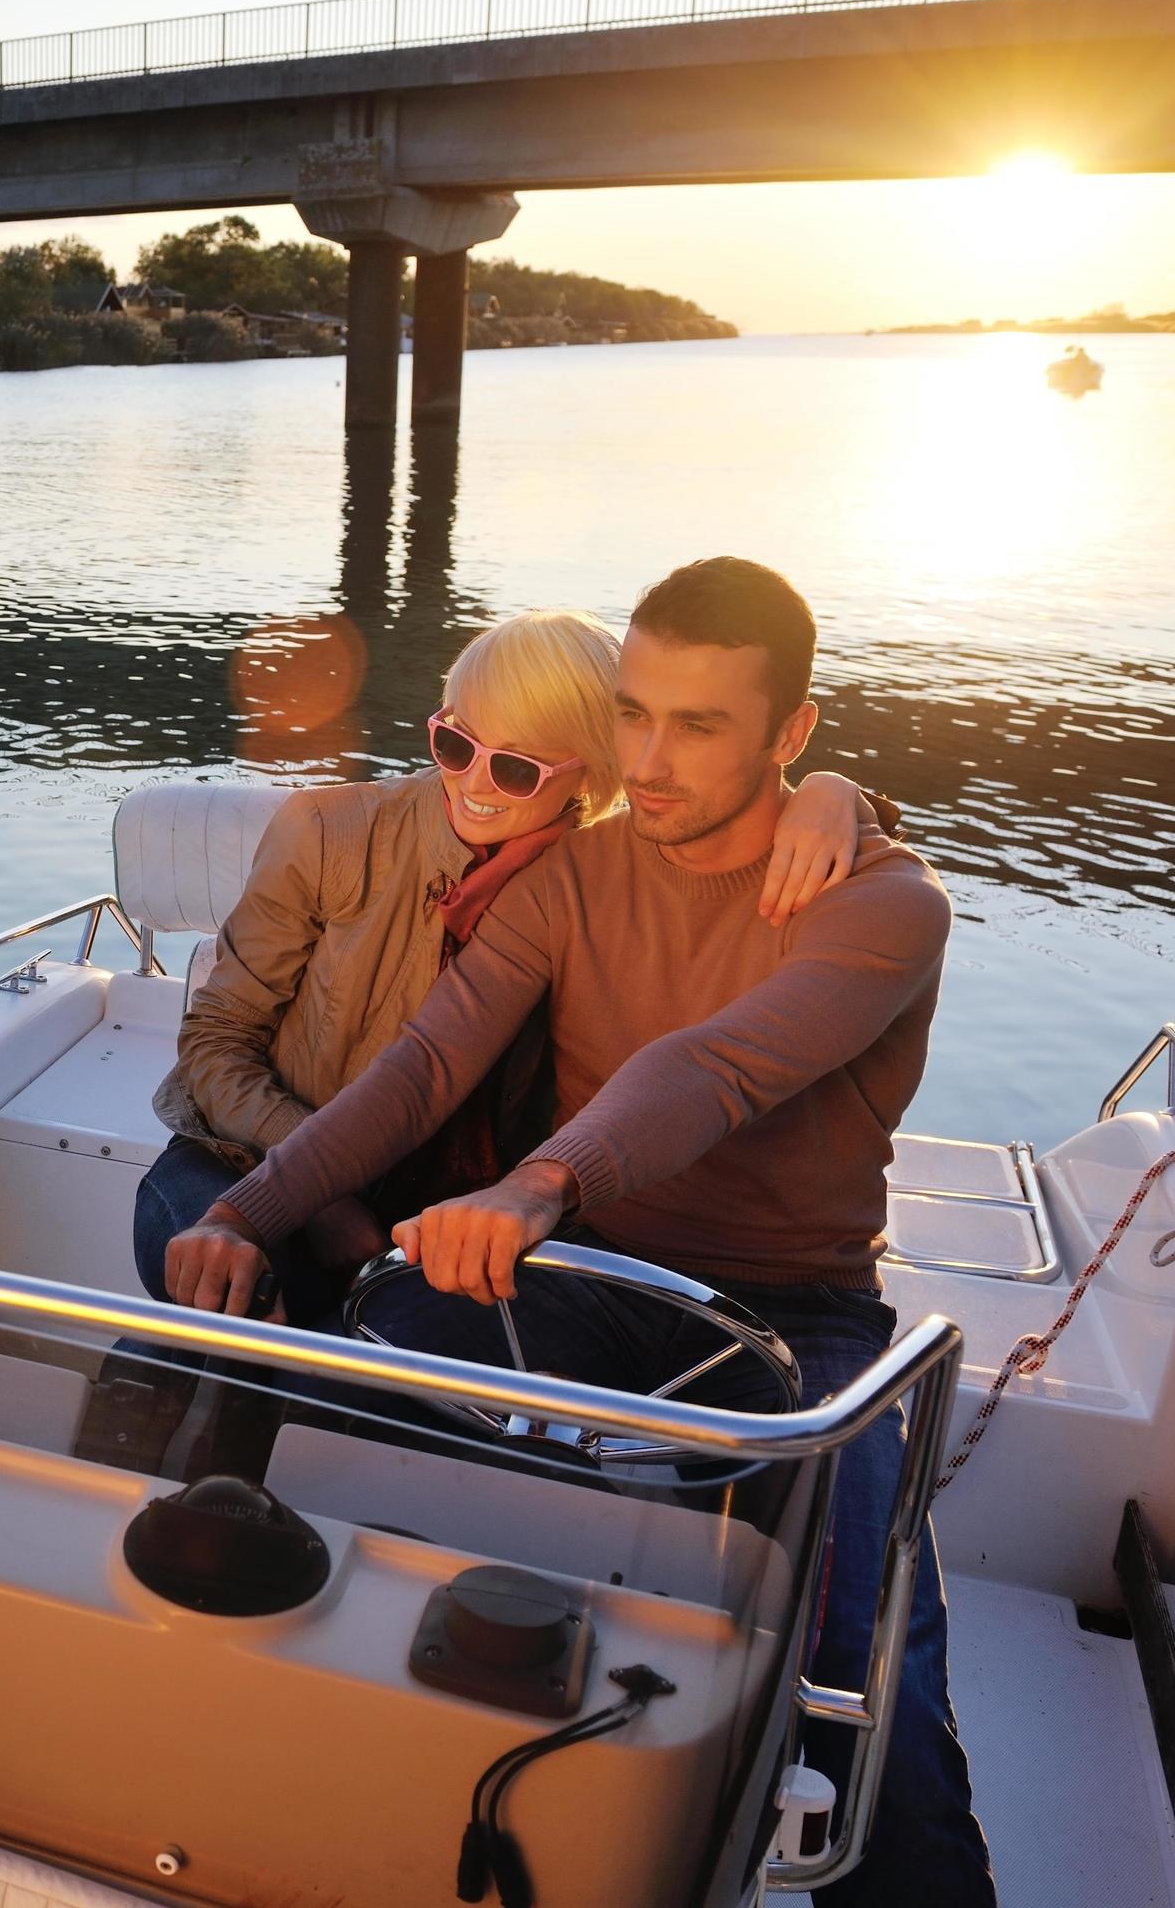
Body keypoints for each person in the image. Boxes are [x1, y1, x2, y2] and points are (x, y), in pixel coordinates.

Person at [163, 557, 993, 1908]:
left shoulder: (885, 902)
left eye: (700, 725)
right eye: (633, 715)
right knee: (349, 1435)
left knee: (867, 1673)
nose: (650, 762)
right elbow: (422, 1071)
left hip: (795, 1313)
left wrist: (535, 1188)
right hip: (582, 1282)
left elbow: (710, 1068)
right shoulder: (568, 878)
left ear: (793, 736)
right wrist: (248, 1209)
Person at [136, 607, 878, 1330]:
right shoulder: (329, 832)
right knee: (237, 1288)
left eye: (517, 767)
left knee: (384, 1339)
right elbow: (218, 1039)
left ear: (593, 767)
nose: (476, 783)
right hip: (245, 1159)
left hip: (448, 1205)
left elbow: (724, 815)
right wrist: (323, 1199)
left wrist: (836, 794)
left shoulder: (591, 877)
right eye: (455, 744)